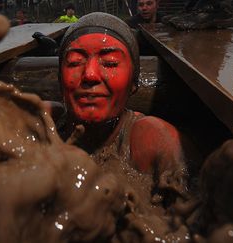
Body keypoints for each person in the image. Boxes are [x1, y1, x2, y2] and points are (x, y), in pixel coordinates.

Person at [57, 12, 189, 200]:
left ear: (133, 83)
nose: (90, 74)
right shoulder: (40, 126)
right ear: (60, 79)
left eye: (110, 63)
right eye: (75, 62)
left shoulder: (153, 141)